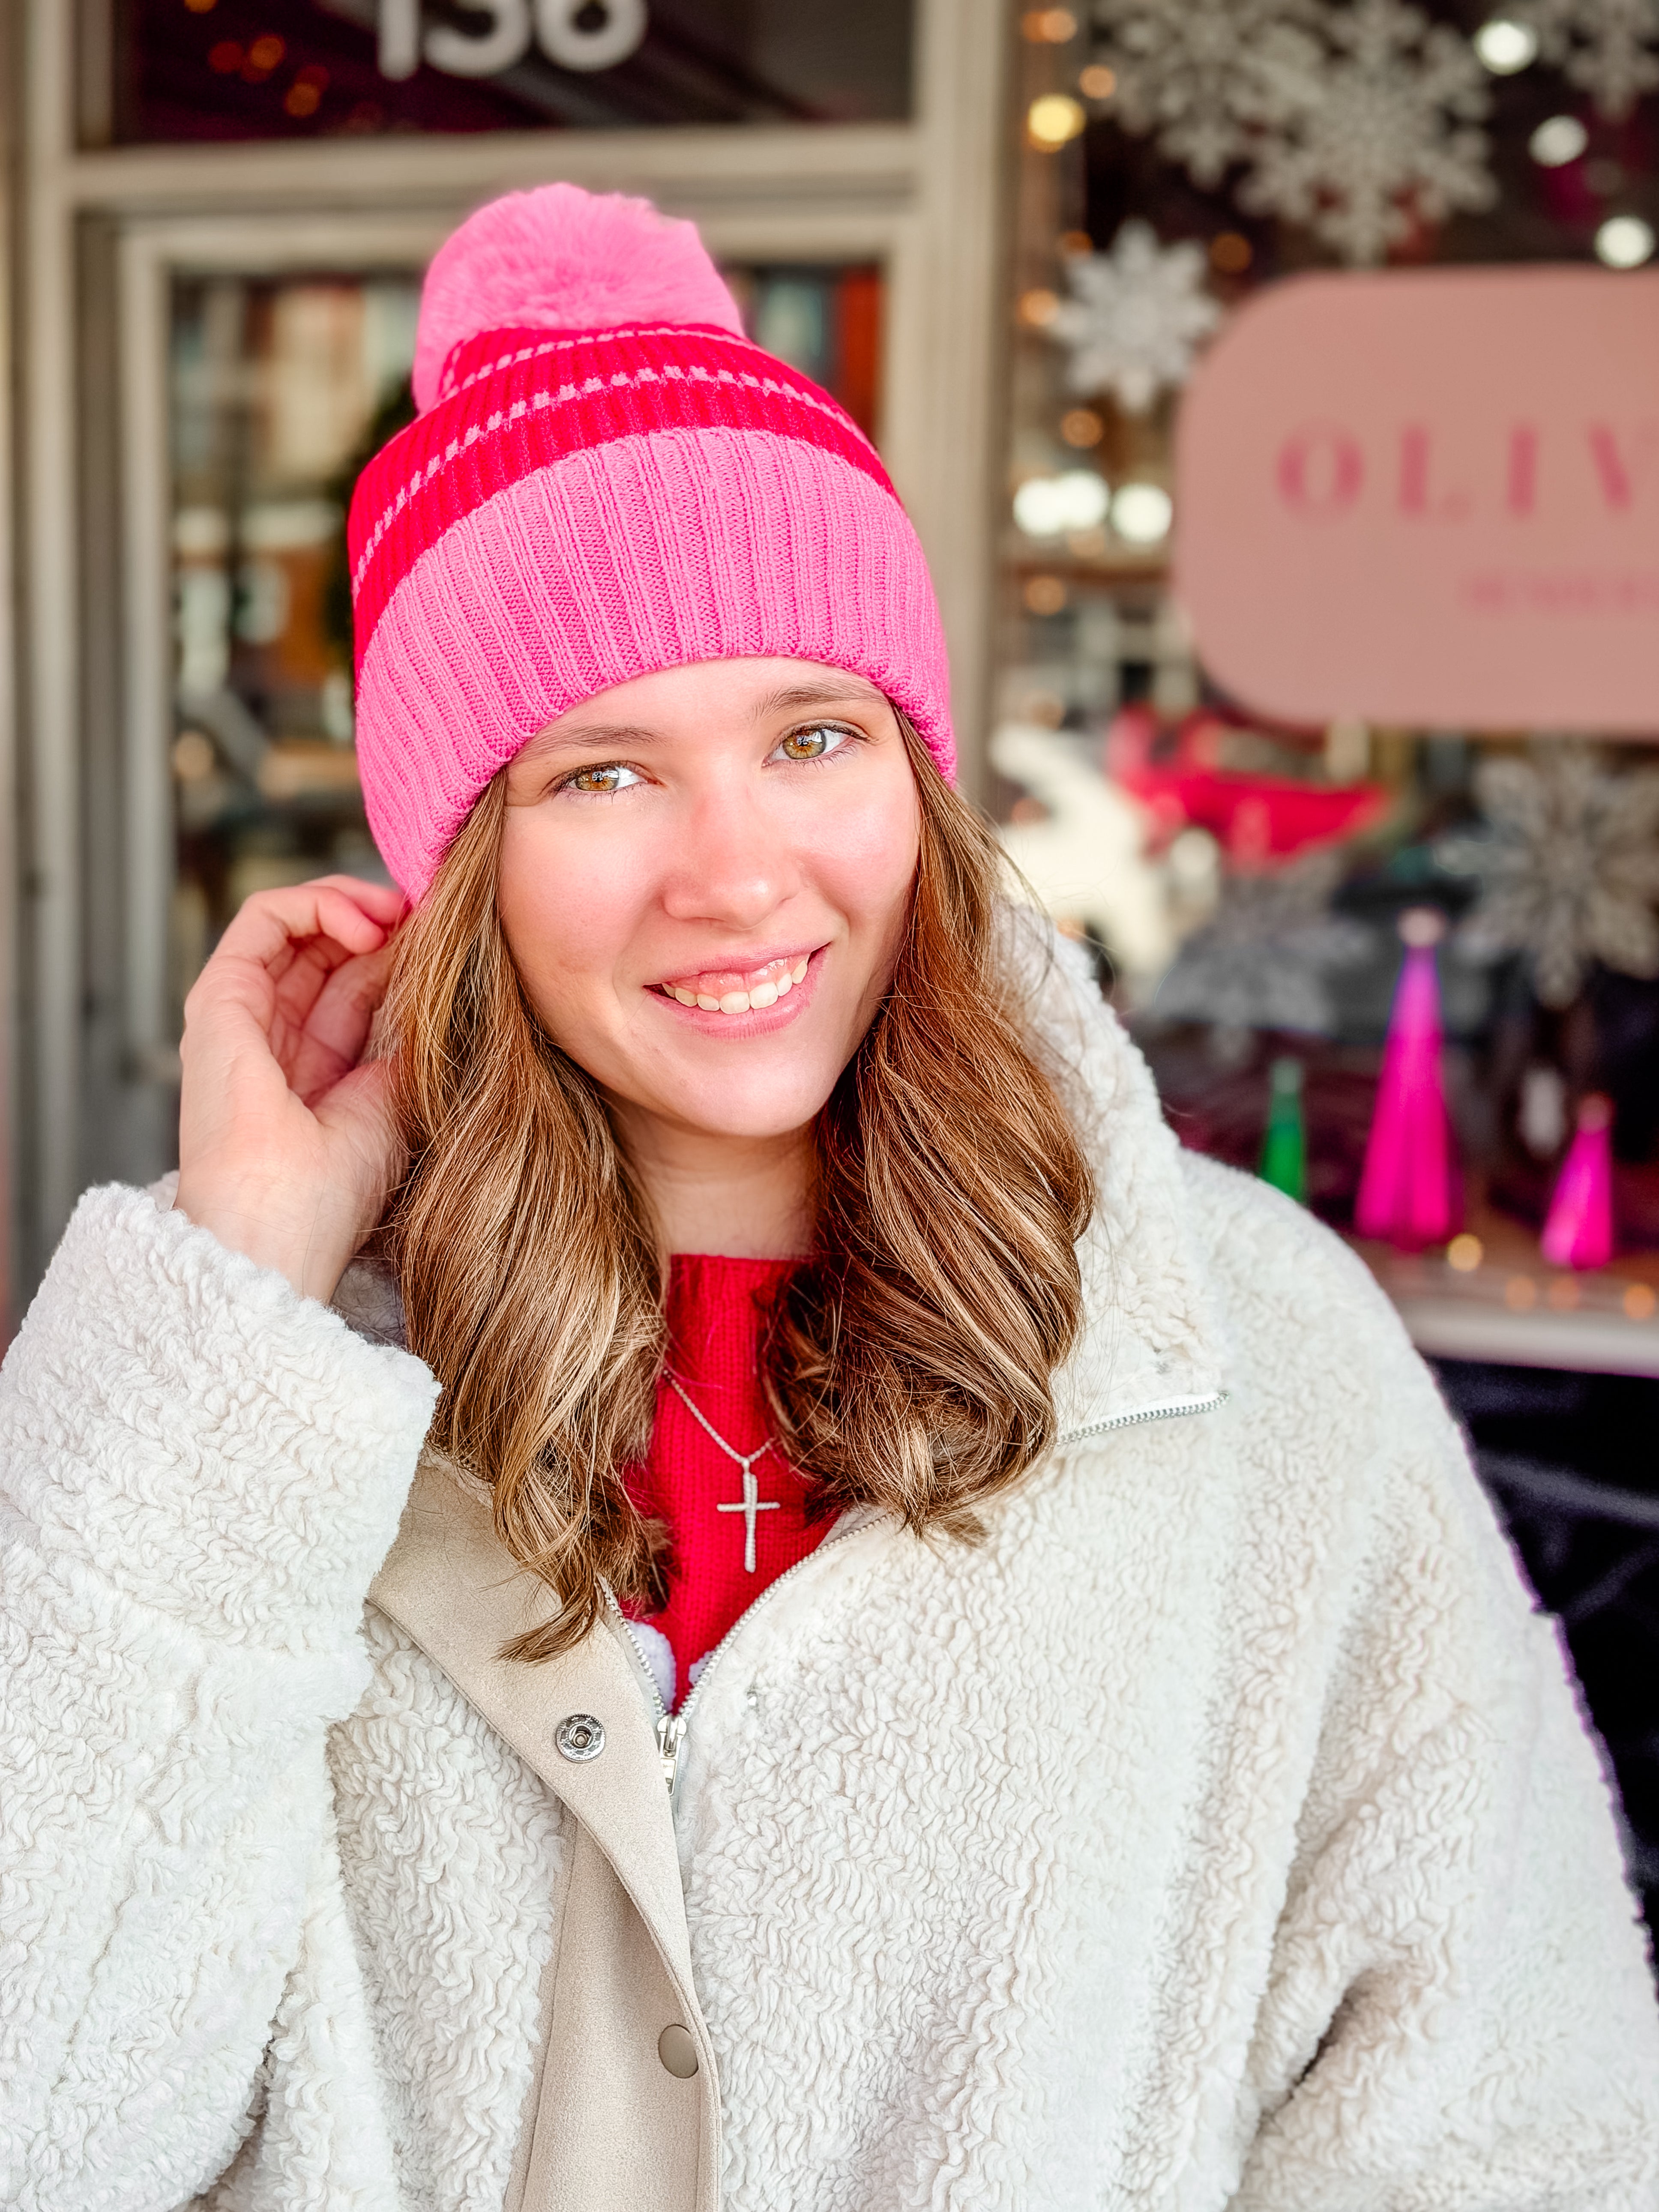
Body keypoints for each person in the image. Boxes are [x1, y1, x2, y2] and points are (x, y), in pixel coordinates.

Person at [2, 185, 1656, 2212]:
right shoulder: (256, 1403)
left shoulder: (1249, 1362)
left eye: (812, 734)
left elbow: (1505, 2121)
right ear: (457, 866)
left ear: (918, 779)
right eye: (602, 773)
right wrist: (243, 1289)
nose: (737, 871)